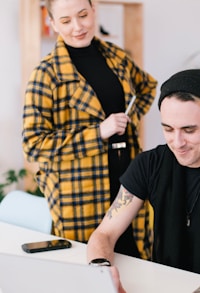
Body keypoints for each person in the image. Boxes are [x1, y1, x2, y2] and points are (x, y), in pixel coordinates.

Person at [87, 69, 200, 292]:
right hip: (162, 283)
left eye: (189, 130)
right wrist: (102, 273)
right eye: (168, 129)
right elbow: (104, 234)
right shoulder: (149, 164)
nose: (177, 142)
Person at [22, 0, 157, 260]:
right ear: (52, 23)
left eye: (83, 15)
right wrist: (98, 133)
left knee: (137, 260)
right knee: (89, 268)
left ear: (94, 10)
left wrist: (130, 120)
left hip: (128, 179)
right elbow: (33, 145)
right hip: (78, 192)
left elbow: (147, 87)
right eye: (65, 21)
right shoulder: (45, 74)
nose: (78, 27)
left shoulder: (115, 56)